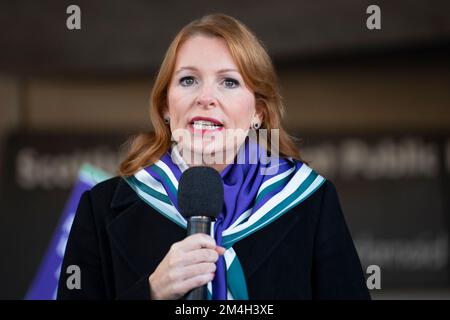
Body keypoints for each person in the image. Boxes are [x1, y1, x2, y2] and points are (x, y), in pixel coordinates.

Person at [57, 13, 370, 300]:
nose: (205, 98)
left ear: (258, 112)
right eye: (188, 80)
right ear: (166, 105)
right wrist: (152, 291)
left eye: (229, 82)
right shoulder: (101, 208)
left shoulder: (311, 202)